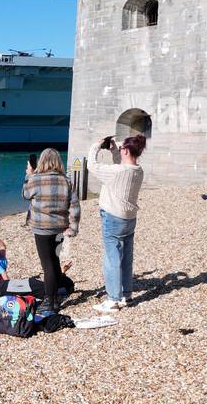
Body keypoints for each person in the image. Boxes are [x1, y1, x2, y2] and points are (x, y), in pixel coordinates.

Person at [88, 134, 146, 312]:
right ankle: (126, 295)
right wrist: (114, 148)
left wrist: (96, 146)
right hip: (129, 218)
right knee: (126, 258)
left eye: (121, 149)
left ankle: (113, 299)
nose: (120, 150)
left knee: (111, 259)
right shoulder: (138, 170)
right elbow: (120, 166)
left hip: (113, 218)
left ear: (127, 150)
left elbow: (92, 165)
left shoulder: (117, 172)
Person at [21, 148, 79, 315]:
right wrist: (73, 228)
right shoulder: (66, 181)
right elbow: (74, 206)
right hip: (60, 228)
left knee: (47, 265)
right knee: (54, 261)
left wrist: (29, 175)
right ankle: (53, 297)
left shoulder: (36, 179)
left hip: (41, 228)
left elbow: (25, 194)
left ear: (42, 161)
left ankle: (50, 301)